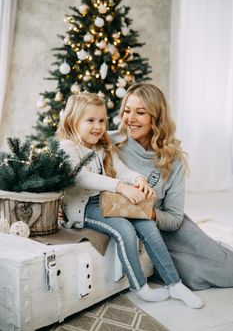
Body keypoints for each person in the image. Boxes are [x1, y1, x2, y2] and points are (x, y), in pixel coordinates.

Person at [56, 92, 203, 309]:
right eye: (90, 120)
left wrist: (138, 179)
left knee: (147, 223)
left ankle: (174, 283)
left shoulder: (102, 145)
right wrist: (121, 187)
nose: (98, 127)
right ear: (72, 120)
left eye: (102, 120)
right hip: (84, 209)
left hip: (107, 202)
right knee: (125, 230)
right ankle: (140, 287)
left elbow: (122, 169)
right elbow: (82, 177)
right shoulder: (68, 147)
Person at [109, 82, 233, 290]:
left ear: (155, 118)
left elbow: (174, 218)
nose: (130, 119)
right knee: (192, 272)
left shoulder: (171, 158)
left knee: (225, 267)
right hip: (133, 229)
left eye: (140, 112)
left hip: (162, 222)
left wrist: (147, 212)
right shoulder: (110, 142)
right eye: (127, 111)